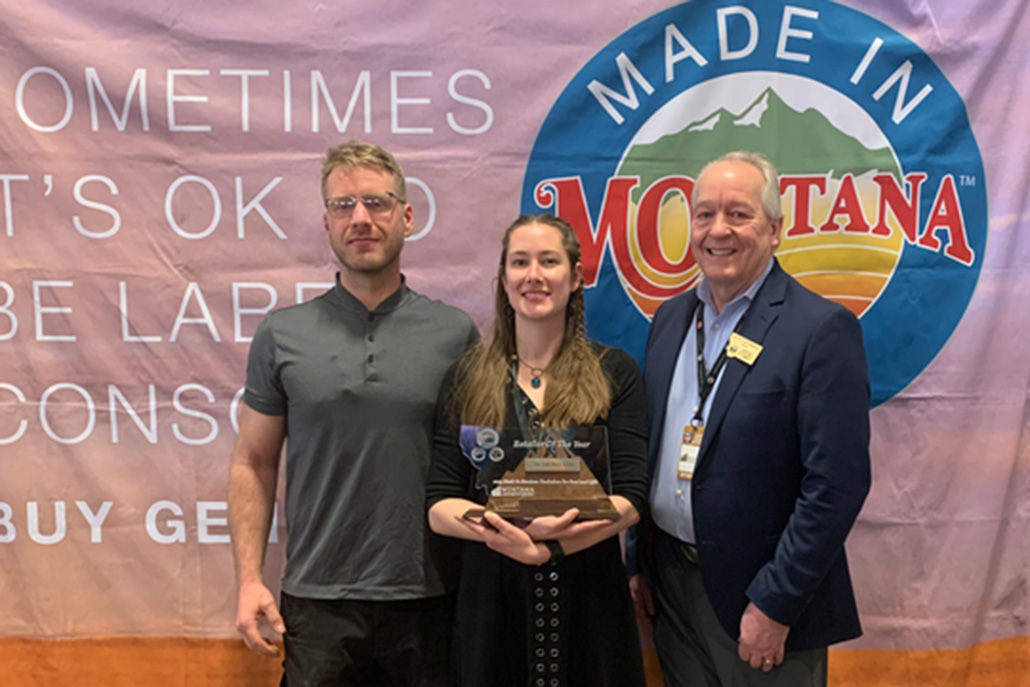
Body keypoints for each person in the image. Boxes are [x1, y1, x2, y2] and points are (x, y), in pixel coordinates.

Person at [228, 140, 478, 686]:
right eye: (344, 206)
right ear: (326, 223)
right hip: (318, 603)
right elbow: (253, 462)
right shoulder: (281, 333)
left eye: (377, 203)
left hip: (430, 596)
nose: (360, 218)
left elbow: (479, 466)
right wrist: (250, 579)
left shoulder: (455, 333)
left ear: (406, 217)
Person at [628, 151, 872, 687]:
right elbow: (653, 448)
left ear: (776, 230)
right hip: (671, 584)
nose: (718, 230)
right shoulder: (670, 319)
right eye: (705, 214)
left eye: (739, 214)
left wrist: (776, 603)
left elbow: (836, 485)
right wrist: (636, 562)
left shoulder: (821, 331)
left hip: (759, 601)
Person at [426, 214, 648, 687]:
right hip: (491, 606)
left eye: (549, 261)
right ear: (503, 280)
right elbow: (439, 504)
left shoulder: (616, 373)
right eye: (520, 262)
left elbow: (631, 500)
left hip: (593, 605)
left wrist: (549, 547)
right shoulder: (466, 378)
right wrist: (501, 532)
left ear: (576, 276)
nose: (534, 275)